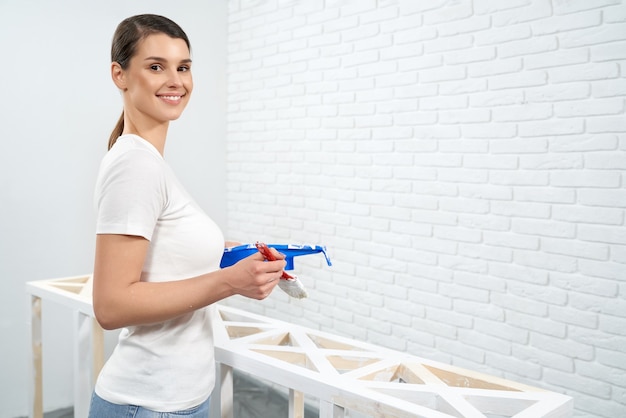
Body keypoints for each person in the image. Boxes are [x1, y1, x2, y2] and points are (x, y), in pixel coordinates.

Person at [88, 14, 286, 418]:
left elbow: (165, 262)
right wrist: (231, 281)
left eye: (184, 67)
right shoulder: (136, 165)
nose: (176, 80)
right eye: (156, 66)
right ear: (119, 75)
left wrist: (232, 252)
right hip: (147, 404)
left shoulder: (151, 164)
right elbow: (111, 305)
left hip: (172, 401)